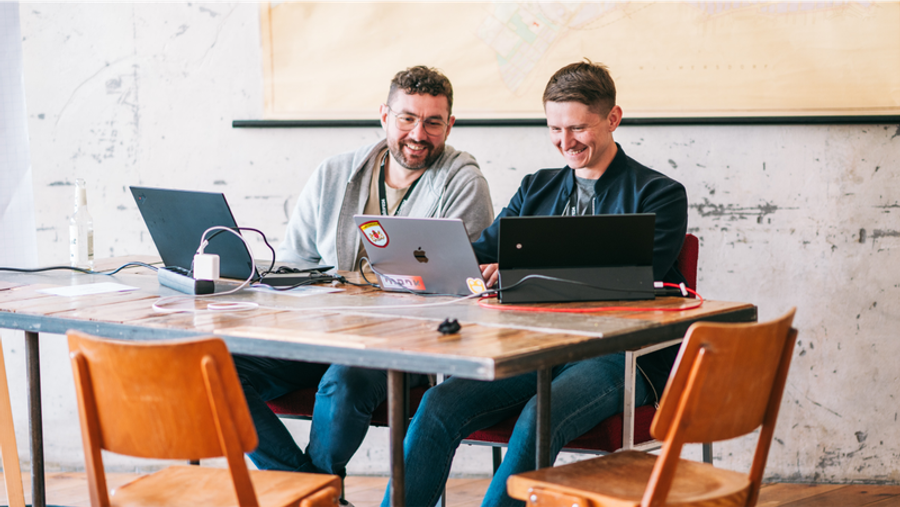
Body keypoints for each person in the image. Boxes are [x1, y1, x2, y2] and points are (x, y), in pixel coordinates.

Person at [382, 61, 688, 507]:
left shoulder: (659, 194)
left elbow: (631, 277)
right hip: (535, 349)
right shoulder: (537, 188)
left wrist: (516, 273)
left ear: (613, 119)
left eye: (578, 129)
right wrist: (426, 256)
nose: (565, 143)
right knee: (436, 406)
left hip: (618, 358)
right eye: (554, 129)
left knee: (537, 419)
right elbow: (482, 252)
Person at [234, 66, 494, 482]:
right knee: (218, 369)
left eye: (433, 122)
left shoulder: (463, 181)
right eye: (407, 118)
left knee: (346, 381)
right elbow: (295, 260)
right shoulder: (334, 173)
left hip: (406, 341)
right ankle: (315, 490)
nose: (418, 134)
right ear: (384, 116)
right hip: (320, 330)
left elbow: (462, 287)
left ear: (450, 125)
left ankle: (308, 492)